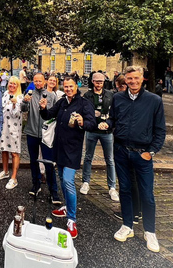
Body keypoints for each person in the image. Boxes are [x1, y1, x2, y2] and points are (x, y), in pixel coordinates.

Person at [100, 66, 166, 253]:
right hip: (121, 151)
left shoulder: (154, 100)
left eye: (136, 78)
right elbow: (113, 119)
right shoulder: (118, 98)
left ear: (142, 78)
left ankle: (150, 231)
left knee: (147, 194)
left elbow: (160, 130)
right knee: (126, 190)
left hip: (142, 154)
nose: (133, 82)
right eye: (129, 79)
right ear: (125, 80)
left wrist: (151, 151)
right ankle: (127, 226)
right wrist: (108, 124)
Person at [40, 77, 96, 239]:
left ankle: (72, 219)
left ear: (76, 87)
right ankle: (66, 206)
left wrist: (82, 121)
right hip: (59, 147)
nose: (68, 89)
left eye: (71, 86)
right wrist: (43, 108)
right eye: (66, 86)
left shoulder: (84, 103)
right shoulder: (62, 101)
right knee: (61, 177)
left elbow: (91, 124)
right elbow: (49, 115)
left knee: (68, 181)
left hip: (72, 150)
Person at [21, 73, 60, 202]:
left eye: (40, 81)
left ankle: (53, 190)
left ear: (45, 81)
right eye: (36, 81)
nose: (38, 83)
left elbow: (55, 113)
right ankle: (36, 184)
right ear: (33, 81)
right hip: (32, 131)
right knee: (33, 160)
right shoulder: (29, 94)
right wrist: (24, 101)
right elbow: (23, 109)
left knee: (48, 162)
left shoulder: (51, 95)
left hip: (46, 134)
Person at [80, 72, 119, 201]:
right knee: (88, 156)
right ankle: (86, 182)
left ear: (104, 82)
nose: (98, 84)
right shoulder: (87, 95)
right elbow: (86, 112)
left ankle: (112, 187)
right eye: (96, 81)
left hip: (106, 132)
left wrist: (108, 124)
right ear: (92, 82)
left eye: (100, 82)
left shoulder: (110, 95)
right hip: (92, 130)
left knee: (109, 159)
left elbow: (113, 113)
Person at [0, 76, 23, 189]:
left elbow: (16, 114)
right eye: (10, 83)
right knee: (4, 150)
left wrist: (15, 104)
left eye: (14, 84)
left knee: (14, 152)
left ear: (18, 85)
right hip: (4, 127)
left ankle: (14, 177)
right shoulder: (5, 93)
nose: (12, 85)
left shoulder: (20, 97)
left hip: (14, 129)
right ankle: (5, 171)